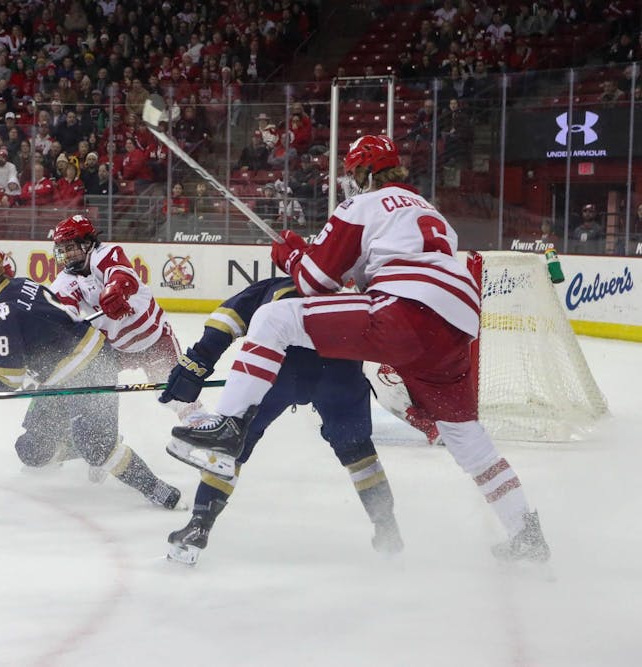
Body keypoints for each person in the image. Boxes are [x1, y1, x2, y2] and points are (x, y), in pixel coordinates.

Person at [169, 135, 551, 563]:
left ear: (365, 172)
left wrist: (293, 257)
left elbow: (315, 283)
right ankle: (525, 533)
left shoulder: (362, 205)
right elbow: (354, 268)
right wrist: (310, 253)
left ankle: (228, 424)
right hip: (458, 324)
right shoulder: (432, 213)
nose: (350, 181)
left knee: (273, 319)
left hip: (405, 309)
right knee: (467, 440)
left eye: (352, 173)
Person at [161, 277, 403, 564]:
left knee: (233, 442)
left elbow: (226, 320)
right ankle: (386, 527)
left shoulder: (274, 286)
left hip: (281, 366)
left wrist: (197, 363)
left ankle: (198, 526)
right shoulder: (353, 293)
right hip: (340, 369)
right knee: (358, 451)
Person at [0, 246, 183, 510]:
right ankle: (89, 439)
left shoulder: (1, 312)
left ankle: (156, 488)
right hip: (63, 379)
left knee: (97, 449)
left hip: (91, 372)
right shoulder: (22, 284)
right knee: (32, 450)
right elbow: (40, 331)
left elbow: (8, 377)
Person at [48, 215, 203, 424]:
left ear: (87, 243)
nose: (66, 255)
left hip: (154, 339)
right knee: (86, 387)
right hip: (114, 350)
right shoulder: (65, 281)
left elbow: (121, 275)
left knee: (173, 396)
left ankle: (204, 432)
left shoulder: (105, 254)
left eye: (70, 248)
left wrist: (115, 289)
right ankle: (77, 435)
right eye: (62, 250)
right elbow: (63, 313)